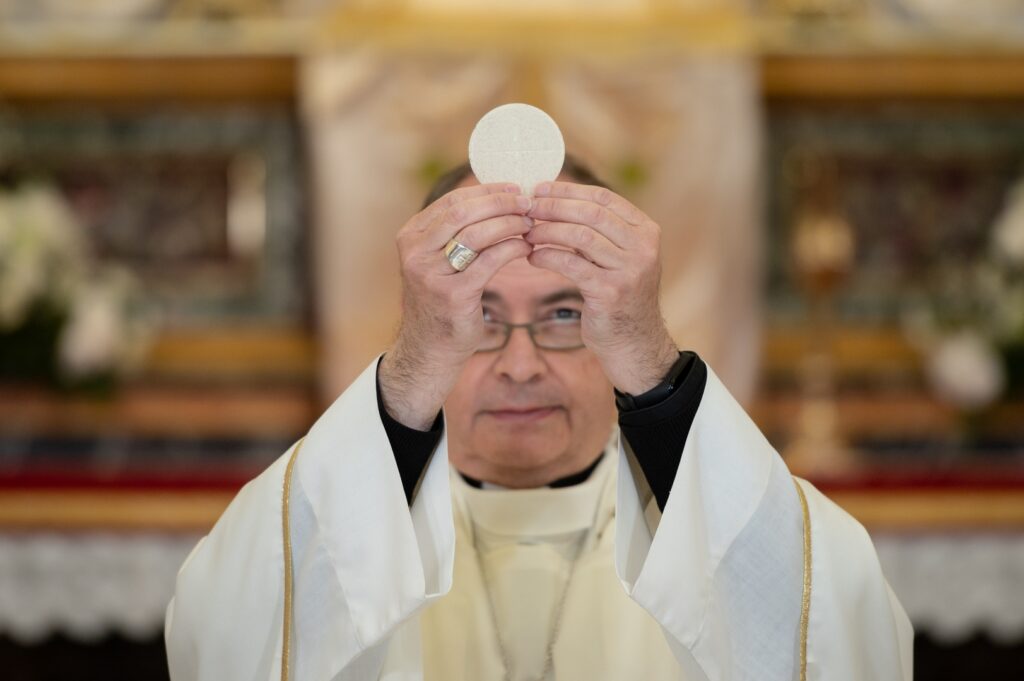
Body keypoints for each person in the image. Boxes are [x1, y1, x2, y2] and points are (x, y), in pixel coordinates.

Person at [165, 158, 913, 681]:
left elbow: (830, 621)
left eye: (563, 315)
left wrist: (654, 363)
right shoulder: (361, 528)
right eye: (481, 317)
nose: (520, 365)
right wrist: (412, 369)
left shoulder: (700, 525)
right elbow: (229, 625)